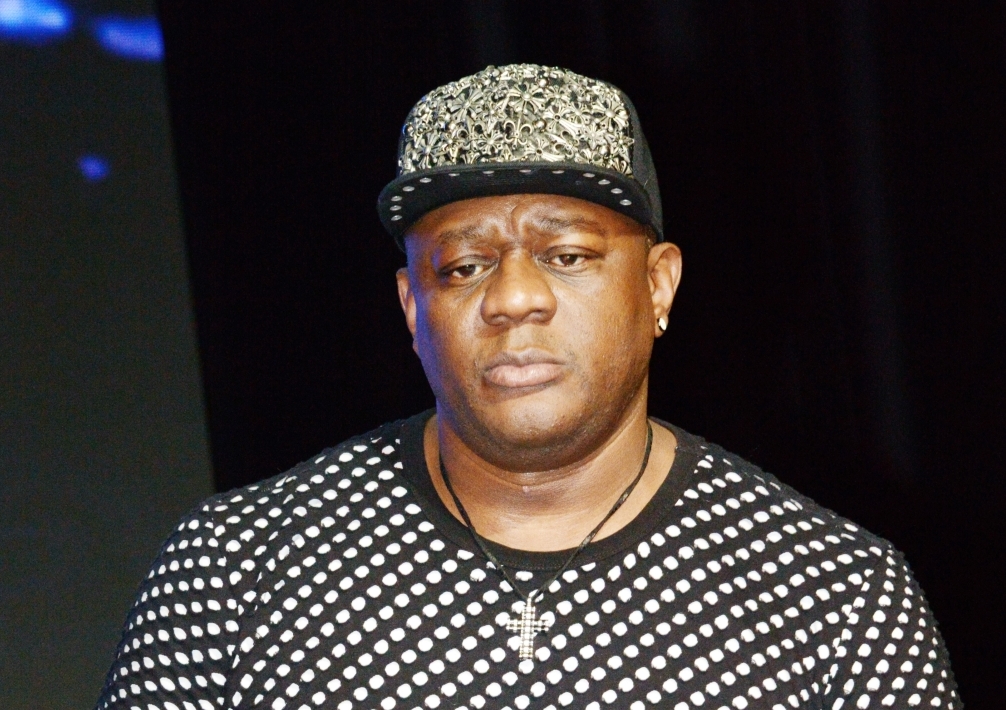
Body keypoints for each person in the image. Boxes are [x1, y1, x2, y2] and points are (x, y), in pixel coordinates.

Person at [95, 64, 959, 710]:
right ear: (412, 306)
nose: (513, 299)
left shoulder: (833, 594)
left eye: (567, 255)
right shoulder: (234, 567)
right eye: (464, 265)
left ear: (657, 285)